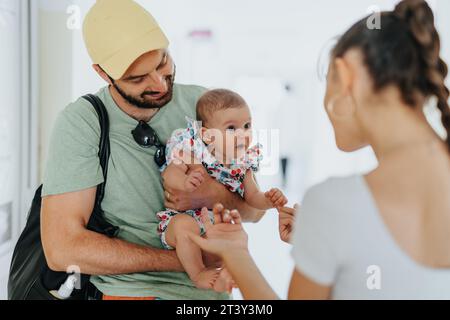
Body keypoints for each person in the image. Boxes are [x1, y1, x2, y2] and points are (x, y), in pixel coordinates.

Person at [189, 0, 450, 300]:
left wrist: (235, 254)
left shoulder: (334, 204)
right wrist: (325, 240)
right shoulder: (339, 212)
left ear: (344, 75)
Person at [40, 0, 264, 300]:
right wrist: (186, 262)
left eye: (162, 63)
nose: (159, 83)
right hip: (134, 294)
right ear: (103, 74)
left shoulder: (203, 103)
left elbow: (254, 211)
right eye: (137, 78)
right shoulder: (82, 123)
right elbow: (62, 248)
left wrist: (213, 194)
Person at [157, 89, 288, 291]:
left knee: (233, 236)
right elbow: (170, 175)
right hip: (186, 218)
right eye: (231, 128)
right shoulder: (193, 149)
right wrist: (184, 182)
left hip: (217, 223)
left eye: (247, 126)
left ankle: (225, 275)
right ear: (207, 136)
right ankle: (198, 273)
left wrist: (268, 200)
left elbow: (253, 197)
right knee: (184, 227)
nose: (243, 134)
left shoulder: (243, 163)